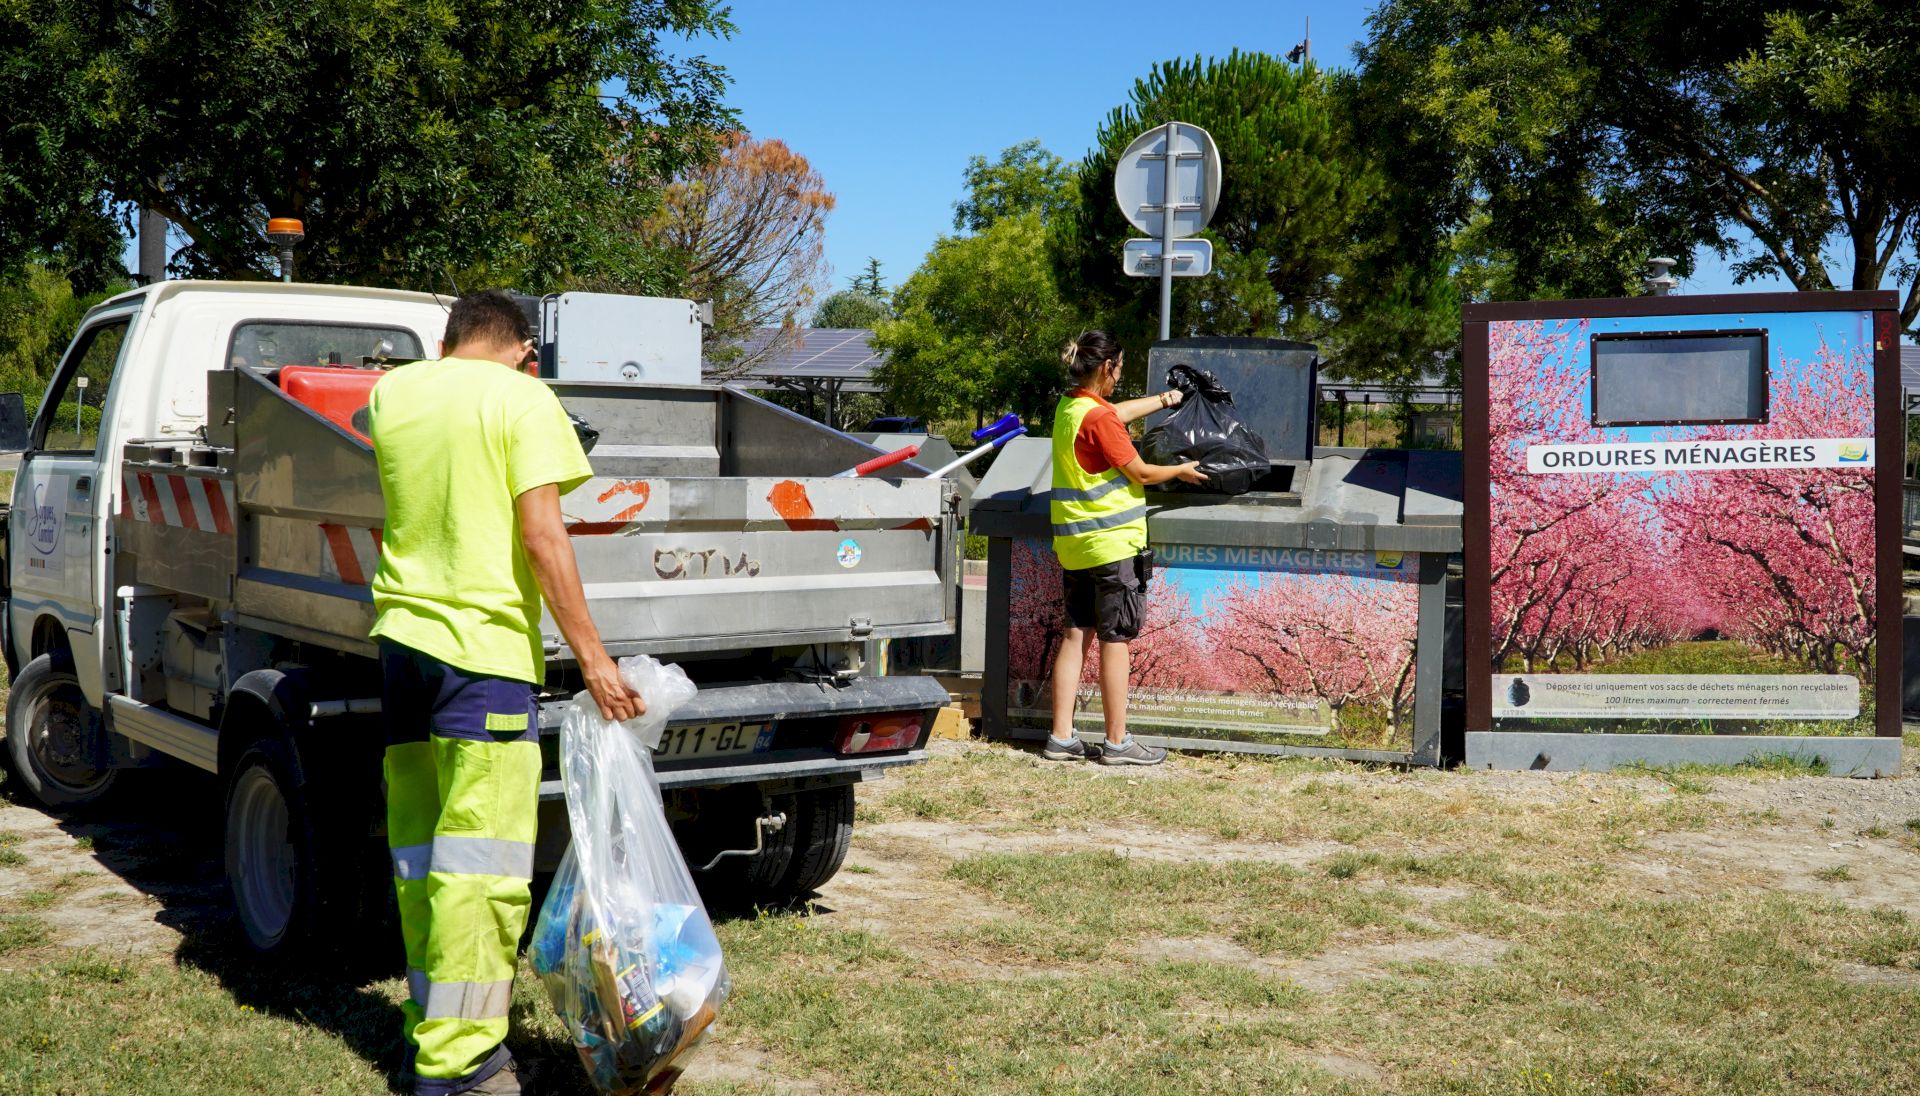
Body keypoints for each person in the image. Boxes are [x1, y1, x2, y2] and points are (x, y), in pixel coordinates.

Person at [368, 291, 644, 1096]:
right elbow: (540, 534)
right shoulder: (526, 397)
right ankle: (460, 1065)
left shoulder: (394, 393)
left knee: (422, 856)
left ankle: (434, 1023)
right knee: (480, 868)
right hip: (481, 658)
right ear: (525, 347)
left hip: (404, 650)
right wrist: (593, 659)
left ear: (448, 337)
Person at [1044, 331, 1205, 766]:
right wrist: (1182, 470)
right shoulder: (1100, 420)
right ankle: (1118, 743)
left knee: (1075, 634)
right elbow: (1140, 472)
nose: (1119, 378)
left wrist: (1167, 399)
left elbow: (1116, 413)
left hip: (1075, 545)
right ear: (1104, 368)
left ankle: (1061, 737)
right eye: (1118, 370)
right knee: (1116, 639)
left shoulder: (1071, 407)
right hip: (1113, 548)